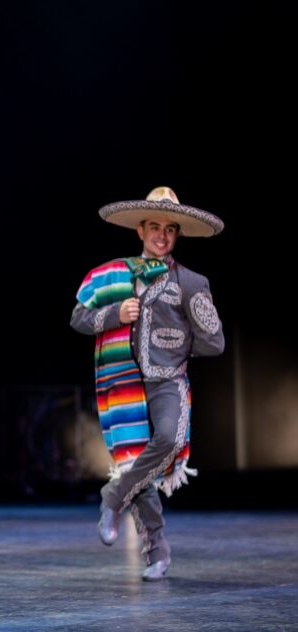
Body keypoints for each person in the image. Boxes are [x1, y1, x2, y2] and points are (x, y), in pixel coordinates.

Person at [70, 186, 224, 581]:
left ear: (177, 235)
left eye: (169, 229)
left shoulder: (191, 282)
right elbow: (78, 319)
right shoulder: (109, 276)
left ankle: (113, 495)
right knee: (136, 460)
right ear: (140, 229)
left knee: (169, 438)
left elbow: (214, 340)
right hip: (120, 380)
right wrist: (114, 315)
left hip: (166, 379)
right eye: (154, 227)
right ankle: (157, 550)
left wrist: (174, 348)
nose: (161, 235)